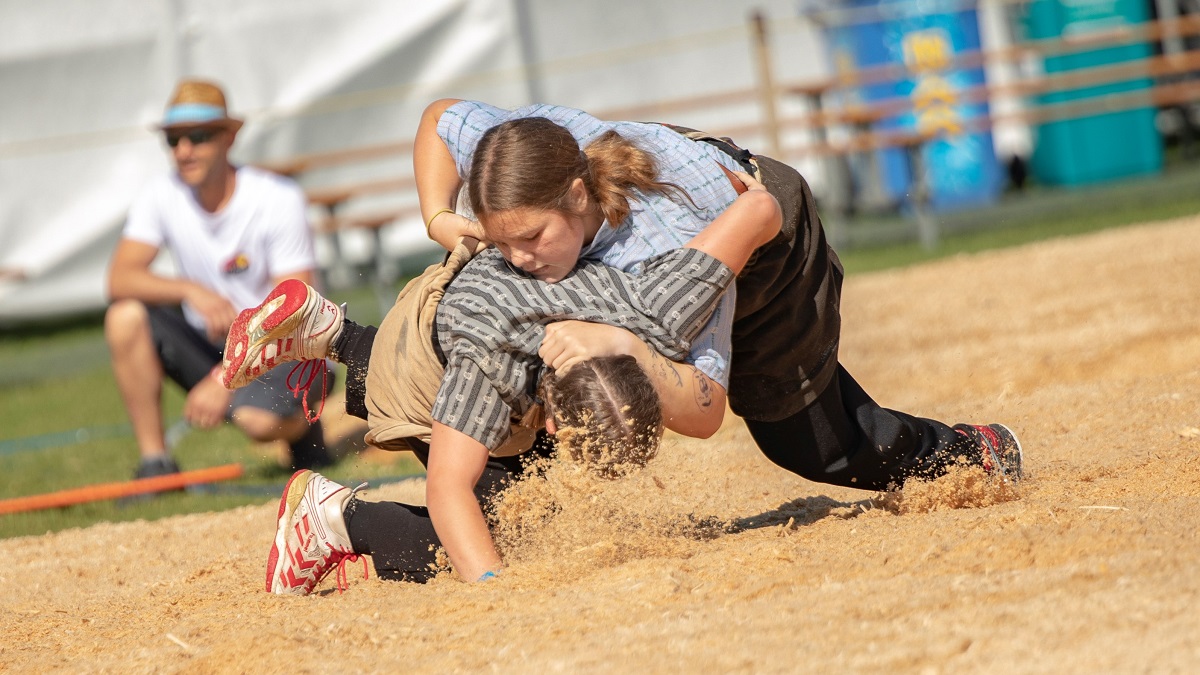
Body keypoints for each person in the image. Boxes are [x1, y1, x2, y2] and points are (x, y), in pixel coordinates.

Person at [407, 98, 1024, 582]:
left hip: (760, 239)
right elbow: (440, 119)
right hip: (696, 234)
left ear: (576, 195)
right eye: (500, 239)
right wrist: (438, 215)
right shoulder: (519, 153)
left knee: (809, 441)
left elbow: (704, 409)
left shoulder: (667, 241)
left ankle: (974, 453)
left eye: (532, 238)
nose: (512, 258)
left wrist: (628, 346)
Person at [223, 176, 779, 594]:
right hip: (433, 345)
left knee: (521, 499)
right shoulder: (493, 373)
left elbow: (758, 211)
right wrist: (496, 588)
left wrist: (750, 197)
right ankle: (334, 520)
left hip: (475, 286)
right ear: (553, 421)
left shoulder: (642, 314)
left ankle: (331, 331)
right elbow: (447, 488)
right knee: (503, 533)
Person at [104, 78, 334, 483]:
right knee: (124, 316)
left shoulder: (276, 197)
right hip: (215, 342)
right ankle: (155, 465)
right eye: (173, 140)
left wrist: (222, 376)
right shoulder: (161, 195)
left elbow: (296, 306)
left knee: (257, 422)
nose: (184, 150)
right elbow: (119, 278)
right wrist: (189, 289)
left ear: (230, 137)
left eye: (198, 136)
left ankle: (304, 428)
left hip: (283, 347)